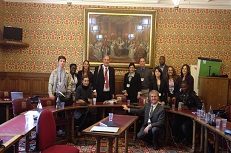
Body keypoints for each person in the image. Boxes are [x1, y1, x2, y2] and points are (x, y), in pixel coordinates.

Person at [170, 81, 202, 146]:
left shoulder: (192, 95)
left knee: (184, 126)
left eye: (184, 87)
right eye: (182, 87)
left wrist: (189, 108)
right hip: (181, 115)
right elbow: (176, 105)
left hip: (190, 117)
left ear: (187, 86)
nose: (183, 88)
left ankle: (190, 141)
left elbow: (200, 106)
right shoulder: (179, 94)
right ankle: (181, 138)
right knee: (173, 123)